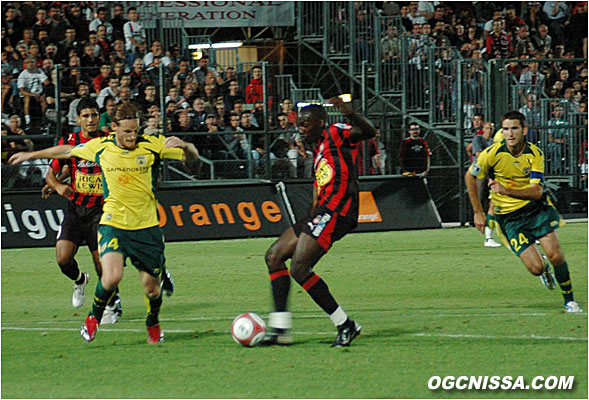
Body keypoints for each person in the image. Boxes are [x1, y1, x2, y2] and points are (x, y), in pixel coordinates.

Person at [10, 102, 199, 343]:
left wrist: (185, 145)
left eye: (136, 130)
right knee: (111, 276)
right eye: (127, 131)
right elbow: (67, 151)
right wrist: (31, 154)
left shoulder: (153, 145)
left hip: (146, 226)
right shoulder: (101, 147)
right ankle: (93, 318)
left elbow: (194, 161)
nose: (133, 136)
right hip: (113, 222)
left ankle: (153, 320)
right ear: (114, 128)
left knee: (152, 289)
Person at [262, 97, 376, 347]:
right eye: (299, 123)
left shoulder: (336, 132)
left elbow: (368, 131)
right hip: (322, 212)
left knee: (300, 269)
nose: (301, 128)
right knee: (274, 256)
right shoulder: (318, 150)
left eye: (305, 123)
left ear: (320, 123)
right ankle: (281, 329)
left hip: (338, 210)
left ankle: (345, 324)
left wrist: (349, 112)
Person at [465, 110, 582, 313]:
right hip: (509, 219)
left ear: (524, 130)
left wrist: (506, 190)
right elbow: (470, 176)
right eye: (506, 129)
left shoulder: (534, 154)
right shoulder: (492, 153)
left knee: (555, 255)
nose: (510, 134)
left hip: (535, 210)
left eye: (515, 128)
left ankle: (570, 301)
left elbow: (537, 192)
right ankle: (544, 270)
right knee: (536, 268)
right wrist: (477, 211)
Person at [471, 121, 501, 248]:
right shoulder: (478, 139)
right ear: (483, 129)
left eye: (491, 128)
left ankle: (490, 236)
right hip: (480, 173)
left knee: (493, 204)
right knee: (480, 199)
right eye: (487, 128)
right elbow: (479, 155)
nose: (489, 130)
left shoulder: (494, 141)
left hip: (491, 173)